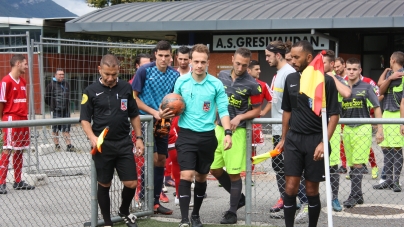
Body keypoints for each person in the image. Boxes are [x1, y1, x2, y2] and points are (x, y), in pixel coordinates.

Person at [274, 41, 340, 227]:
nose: (292, 61)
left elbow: (334, 115)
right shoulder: (291, 79)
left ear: (309, 58)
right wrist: (284, 138)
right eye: (291, 57)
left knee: (311, 190)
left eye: (296, 57)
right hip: (294, 140)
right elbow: (287, 110)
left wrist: (323, 142)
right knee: (290, 187)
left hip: (315, 141)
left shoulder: (325, 80)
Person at [80, 54, 144, 227]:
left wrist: (139, 138)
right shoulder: (90, 91)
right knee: (104, 184)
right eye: (107, 74)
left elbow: (134, 114)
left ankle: (124, 210)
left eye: (114, 74)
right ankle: (108, 223)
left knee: (131, 183)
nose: (110, 78)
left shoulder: (125, 88)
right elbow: (84, 119)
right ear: (99, 69)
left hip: (124, 143)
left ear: (118, 71)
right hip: (103, 146)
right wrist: (92, 138)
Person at [174, 44, 232, 227]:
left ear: (208, 62)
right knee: (186, 174)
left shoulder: (215, 84)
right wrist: (167, 111)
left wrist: (228, 133)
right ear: (190, 61)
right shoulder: (181, 82)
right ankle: (184, 219)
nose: (199, 65)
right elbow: (174, 105)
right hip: (186, 135)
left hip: (208, 136)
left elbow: (223, 110)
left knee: (200, 177)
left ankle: (196, 215)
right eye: (196, 61)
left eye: (203, 62)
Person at [210, 47, 261, 224]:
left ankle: (232, 212)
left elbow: (257, 111)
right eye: (238, 63)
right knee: (214, 169)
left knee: (233, 173)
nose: (240, 68)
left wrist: (240, 116)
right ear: (232, 59)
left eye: (244, 65)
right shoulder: (221, 76)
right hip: (218, 129)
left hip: (238, 132)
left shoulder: (253, 84)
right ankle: (239, 198)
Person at [132, 40, 179, 215]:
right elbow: (133, 98)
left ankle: (156, 202)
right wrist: (153, 112)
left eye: (167, 56)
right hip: (146, 120)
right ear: (155, 55)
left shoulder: (174, 75)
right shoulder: (144, 71)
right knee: (150, 159)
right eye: (160, 55)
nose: (163, 59)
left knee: (161, 159)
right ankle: (144, 198)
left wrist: (171, 112)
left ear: (171, 57)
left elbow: (175, 99)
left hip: (164, 121)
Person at [266, 41, 309, 223]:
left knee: (290, 169)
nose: (266, 59)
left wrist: (288, 133)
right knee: (278, 167)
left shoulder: (289, 74)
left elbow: (294, 107)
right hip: (278, 129)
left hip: (288, 131)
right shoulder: (279, 74)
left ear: (278, 55)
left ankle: (305, 202)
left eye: (268, 55)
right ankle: (287, 200)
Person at [341, 57, 384, 208]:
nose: (351, 72)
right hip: (347, 129)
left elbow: (377, 107)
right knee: (352, 165)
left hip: (363, 128)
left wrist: (380, 129)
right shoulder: (342, 87)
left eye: (354, 69)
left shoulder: (366, 87)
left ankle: (353, 195)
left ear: (360, 71)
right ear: (345, 70)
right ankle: (358, 196)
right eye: (349, 69)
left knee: (359, 164)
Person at [0, 54, 35, 195]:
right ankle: (1, 182)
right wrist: (2, 122)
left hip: (22, 119)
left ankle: (18, 181)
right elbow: (1, 102)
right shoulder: (5, 81)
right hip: (10, 119)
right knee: (7, 149)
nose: (27, 66)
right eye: (25, 64)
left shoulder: (23, 82)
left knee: (20, 149)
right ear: (18, 63)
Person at [323, 50, 351, 212]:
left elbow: (347, 93)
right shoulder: (314, 79)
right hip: (313, 126)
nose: (321, 66)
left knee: (333, 166)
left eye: (324, 63)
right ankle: (304, 198)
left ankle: (334, 198)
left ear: (332, 64)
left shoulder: (338, 79)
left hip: (331, 127)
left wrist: (331, 77)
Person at [374, 51, 404, 192]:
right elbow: (380, 89)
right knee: (386, 149)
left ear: (392, 60)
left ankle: (396, 182)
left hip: (398, 115)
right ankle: (388, 180)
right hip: (386, 114)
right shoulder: (389, 75)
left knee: (397, 149)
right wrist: (390, 77)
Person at [247, 60, 271, 183]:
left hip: (255, 123)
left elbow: (272, 100)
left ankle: (249, 177)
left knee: (253, 150)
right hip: (239, 122)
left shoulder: (263, 85)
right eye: (256, 69)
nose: (260, 71)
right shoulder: (238, 83)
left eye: (259, 69)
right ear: (248, 70)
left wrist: (263, 112)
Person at [45, 69, 77, 152]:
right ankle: (57, 145)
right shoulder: (51, 85)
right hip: (55, 110)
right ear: (55, 75)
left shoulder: (66, 84)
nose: (61, 76)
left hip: (66, 110)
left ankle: (69, 145)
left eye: (63, 74)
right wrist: (53, 105)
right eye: (59, 74)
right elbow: (46, 98)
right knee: (55, 129)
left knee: (66, 128)